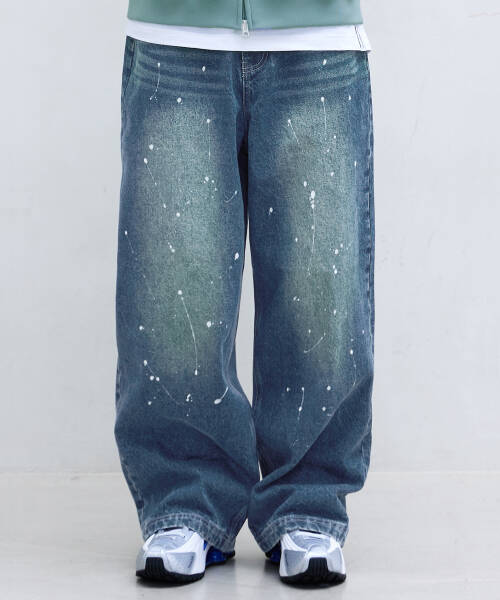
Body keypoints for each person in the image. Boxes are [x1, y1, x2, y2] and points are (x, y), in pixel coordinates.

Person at [114, 0, 374, 586]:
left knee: (320, 291)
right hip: (176, 33)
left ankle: (308, 506)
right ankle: (185, 501)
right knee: (176, 288)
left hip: (316, 35)